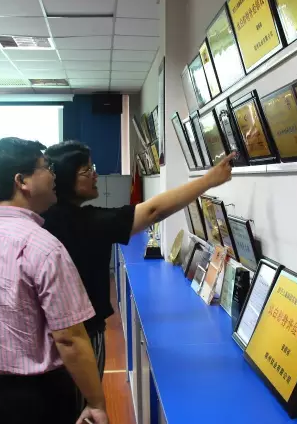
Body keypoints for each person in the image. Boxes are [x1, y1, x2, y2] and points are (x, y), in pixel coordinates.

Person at [42, 141, 234, 406]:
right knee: (84, 406)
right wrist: (209, 180)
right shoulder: (83, 222)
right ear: (65, 177)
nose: (96, 175)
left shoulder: (44, 218)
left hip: (50, 336)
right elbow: (153, 211)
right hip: (81, 336)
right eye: (87, 170)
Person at [0, 137, 109, 424]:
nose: (54, 175)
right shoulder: (43, 247)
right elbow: (69, 338)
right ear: (21, 181)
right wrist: (96, 403)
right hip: (38, 398)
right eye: (46, 167)